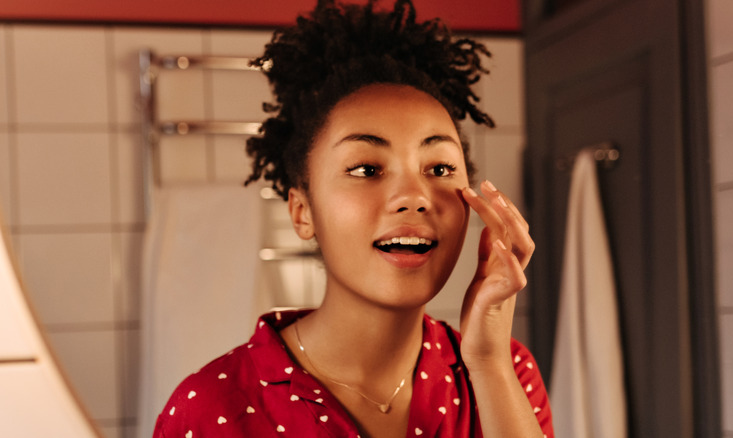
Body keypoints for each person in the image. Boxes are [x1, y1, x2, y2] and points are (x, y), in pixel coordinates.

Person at [153, 0, 554, 436]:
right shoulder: (212, 408)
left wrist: (489, 363)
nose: (414, 197)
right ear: (303, 213)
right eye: (366, 169)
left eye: (438, 169)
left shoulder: (505, 369)